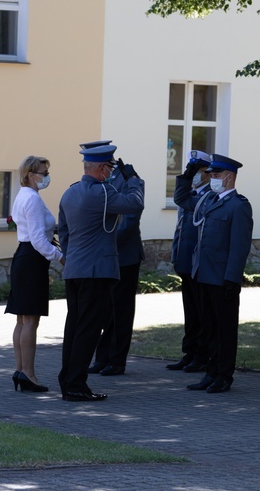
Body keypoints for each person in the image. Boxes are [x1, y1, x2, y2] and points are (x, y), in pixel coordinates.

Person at [57, 144, 144, 402]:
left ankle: (68, 380)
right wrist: (134, 180)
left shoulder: (70, 192)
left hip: (75, 270)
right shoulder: (102, 193)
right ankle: (75, 385)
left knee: (74, 327)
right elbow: (135, 204)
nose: (110, 172)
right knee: (89, 330)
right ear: (101, 168)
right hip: (96, 272)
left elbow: (64, 233)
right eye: (108, 167)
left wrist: (74, 257)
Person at [174, 154, 253, 393]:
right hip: (203, 274)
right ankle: (211, 371)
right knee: (209, 327)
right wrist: (187, 175)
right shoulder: (208, 200)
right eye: (211, 175)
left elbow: (240, 247)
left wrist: (232, 277)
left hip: (222, 277)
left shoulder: (238, 205)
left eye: (216, 175)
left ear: (229, 177)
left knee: (224, 330)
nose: (212, 179)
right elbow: (182, 199)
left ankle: (223, 375)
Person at [81, 141, 146, 377]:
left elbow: (129, 220)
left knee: (121, 310)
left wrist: (104, 242)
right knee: (104, 310)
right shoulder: (98, 179)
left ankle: (117, 360)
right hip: (106, 255)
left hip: (124, 254)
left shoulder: (129, 179)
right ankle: (102, 357)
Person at [5, 156, 64, 393]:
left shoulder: (24, 196)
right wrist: (60, 257)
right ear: (31, 174)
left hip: (25, 257)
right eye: (43, 171)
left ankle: (21, 370)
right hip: (32, 260)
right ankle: (28, 373)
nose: (46, 175)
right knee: (30, 320)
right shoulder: (32, 200)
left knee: (22, 319)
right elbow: (39, 239)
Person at [166, 150, 213, 372]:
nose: (193, 175)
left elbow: (179, 199)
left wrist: (185, 180)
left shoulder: (207, 195)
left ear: (206, 173)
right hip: (186, 262)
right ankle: (190, 352)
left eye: (196, 170)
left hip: (199, 264)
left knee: (200, 313)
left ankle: (201, 355)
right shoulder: (193, 193)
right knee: (190, 312)